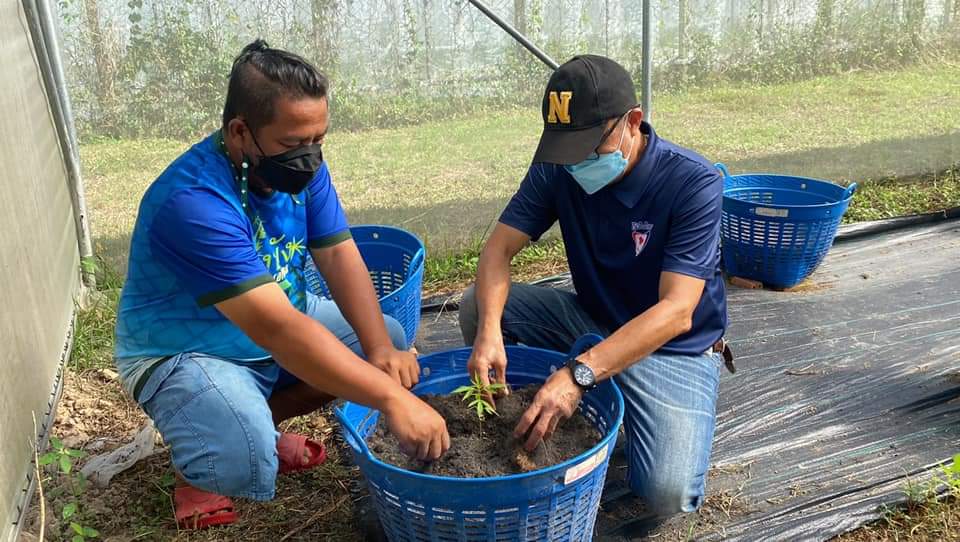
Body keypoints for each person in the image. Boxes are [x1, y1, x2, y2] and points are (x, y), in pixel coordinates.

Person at [113, 40, 449, 530]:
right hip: (188, 349)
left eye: (318, 139)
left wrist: (379, 350)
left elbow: (338, 253)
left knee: (387, 342)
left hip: (274, 319)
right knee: (243, 456)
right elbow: (280, 330)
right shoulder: (192, 202)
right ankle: (205, 459)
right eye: (293, 144)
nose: (309, 156)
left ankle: (250, 419)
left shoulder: (300, 169)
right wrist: (392, 398)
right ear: (240, 131)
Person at [458, 54, 731, 521]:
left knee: (666, 494)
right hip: (593, 320)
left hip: (671, 349)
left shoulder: (692, 182)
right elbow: (498, 251)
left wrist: (579, 375)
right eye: (566, 148)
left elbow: (677, 311)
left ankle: (590, 394)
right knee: (475, 306)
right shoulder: (558, 167)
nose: (576, 162)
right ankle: (534, 405)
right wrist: (488, 334)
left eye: (589, 146)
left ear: (633, 122)